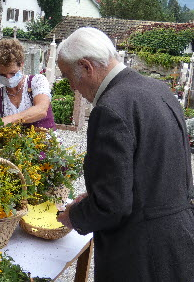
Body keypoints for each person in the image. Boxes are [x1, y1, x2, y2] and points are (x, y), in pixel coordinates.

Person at [56, 27, 194, 281]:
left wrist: (74, 216)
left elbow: (112, 206)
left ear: (87, 67)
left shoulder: (110, 108)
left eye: (68, 77)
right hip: (178, 240)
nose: (73, 87)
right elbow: (159, 170)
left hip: (140, 253)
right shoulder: (159, 90)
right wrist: (101, 192)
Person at [0, 38, 56, 131]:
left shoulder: (37, 81)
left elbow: (41, 110)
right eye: (2, 75)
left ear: (21, 64)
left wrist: (9, 120)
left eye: (12, 73)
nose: (8, 78)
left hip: (47, 143)